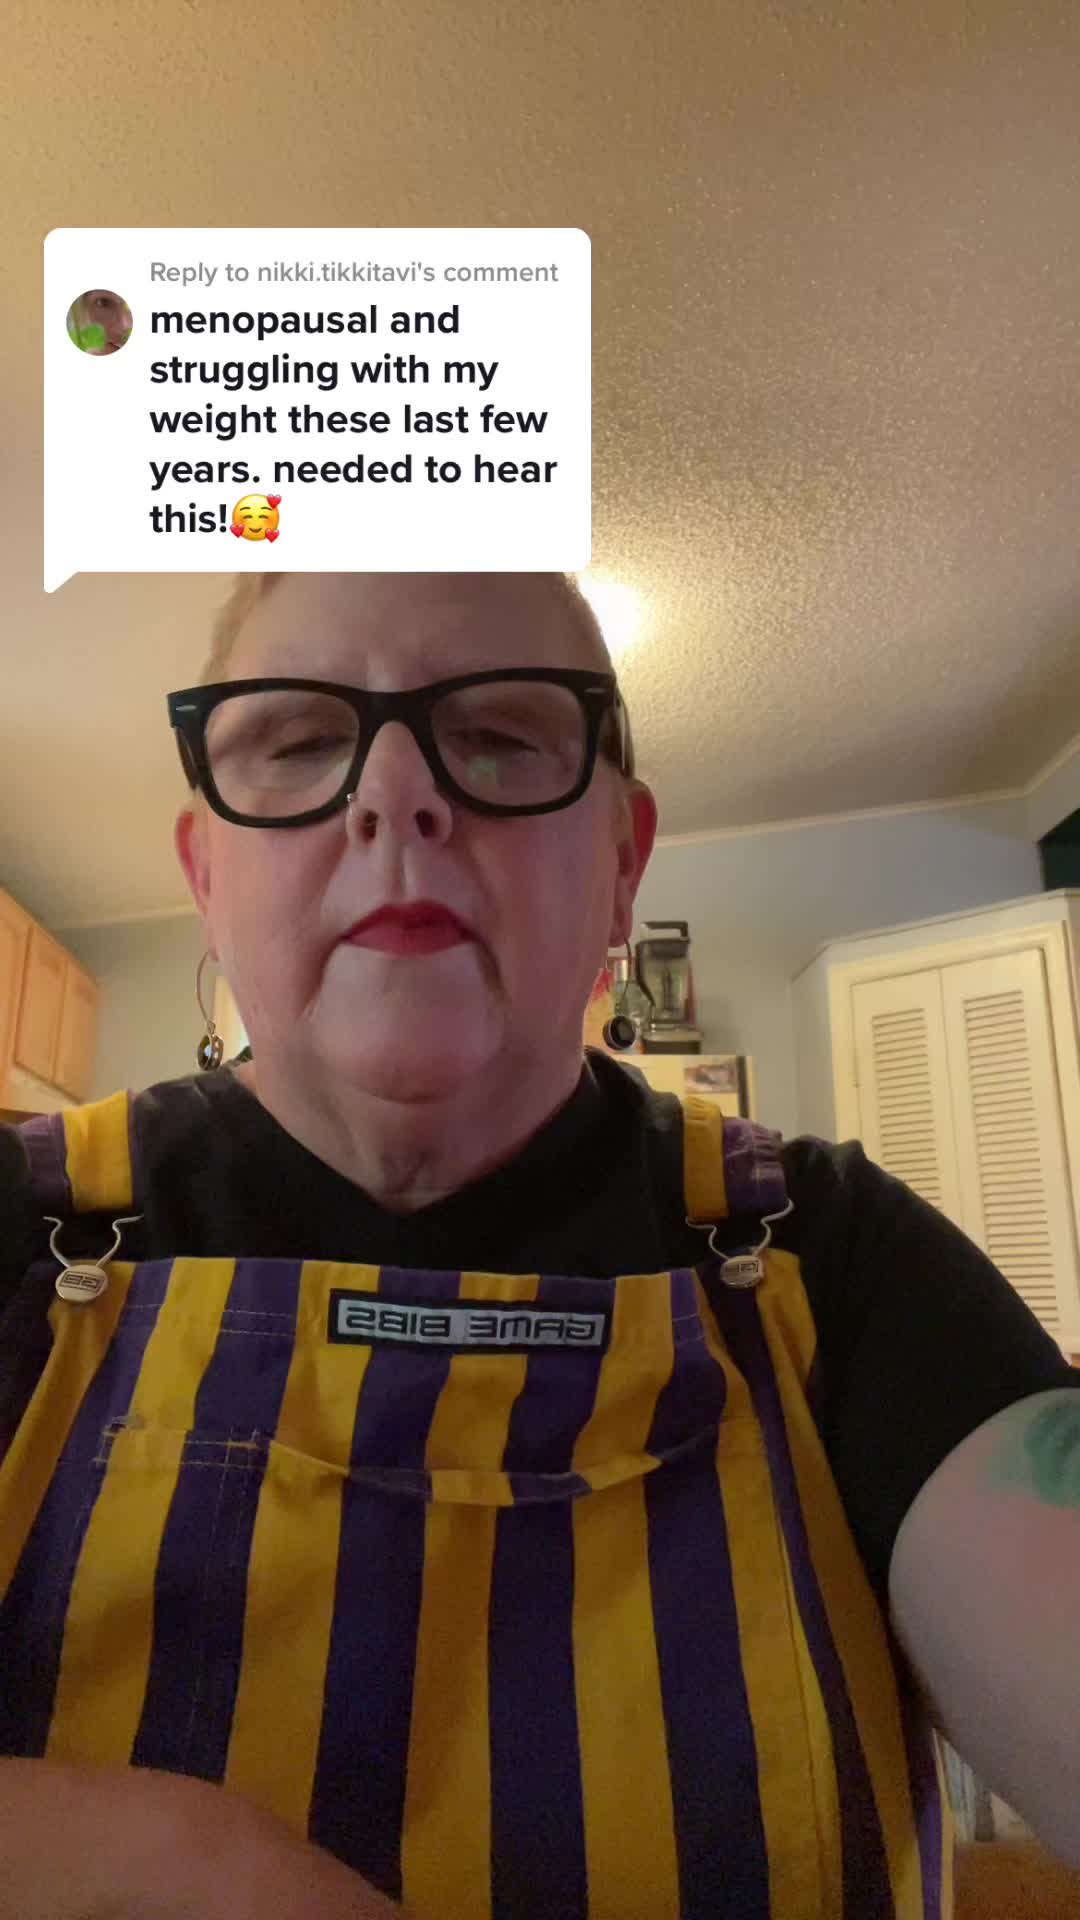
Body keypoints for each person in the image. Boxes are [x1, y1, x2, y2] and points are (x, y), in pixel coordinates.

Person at [1, 569, 1078, 1920]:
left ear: (623, 862)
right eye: (298, 739)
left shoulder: (839, 1261)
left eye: (503, 733)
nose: (396, 794)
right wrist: (163, 1860)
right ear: (206, 874)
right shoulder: (17, 1232)